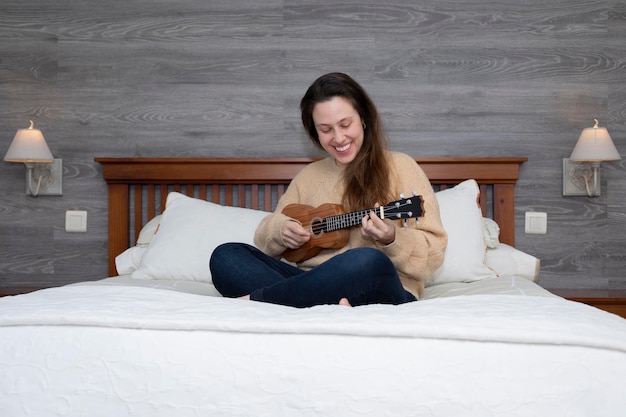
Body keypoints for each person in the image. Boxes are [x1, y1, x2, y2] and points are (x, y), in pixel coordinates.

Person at [210, 72, 447, 308]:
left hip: (375, 284)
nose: (338, 137)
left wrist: (391, 238)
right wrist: (280, 230)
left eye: (345, 124)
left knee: (368, 261)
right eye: (326, 129)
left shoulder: (401, 167)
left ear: (363, 117)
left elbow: (433, 255)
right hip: (308, 282)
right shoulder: (307, 177)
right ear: (314, 131)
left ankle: (258, 301)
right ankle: (322, 304)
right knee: (226, 256)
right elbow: (264, 243)